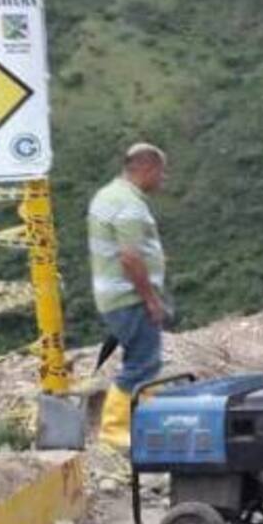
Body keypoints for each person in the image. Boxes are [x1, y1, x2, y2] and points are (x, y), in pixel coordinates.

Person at [88, 143, 169, 451]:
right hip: (129, 298)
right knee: (142, 364)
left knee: (143, 361)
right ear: (146, 168)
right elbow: (130, 257)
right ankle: (116, 432)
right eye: (162, 171)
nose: (164, 179)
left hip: (115, 295)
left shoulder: (108, 195)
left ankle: (142, 422)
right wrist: (150, 299)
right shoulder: (129, 204)